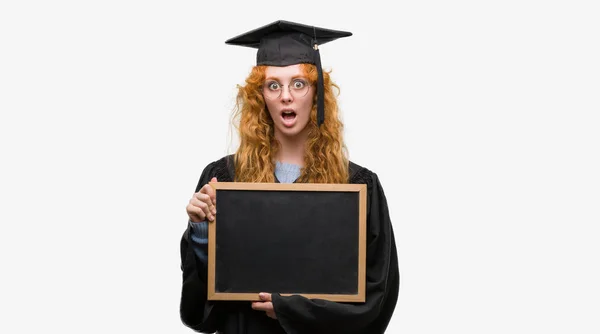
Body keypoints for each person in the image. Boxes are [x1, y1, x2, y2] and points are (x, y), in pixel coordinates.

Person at [179, 20, 399, 334]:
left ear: (317, 92)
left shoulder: (357, 185)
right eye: (273, 85)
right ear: (260, 97)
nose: (286, 96)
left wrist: (293, 309)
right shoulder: (224, 178)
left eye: (298, 83)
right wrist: (202, 231)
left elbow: (375, 300)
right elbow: (203, 309)